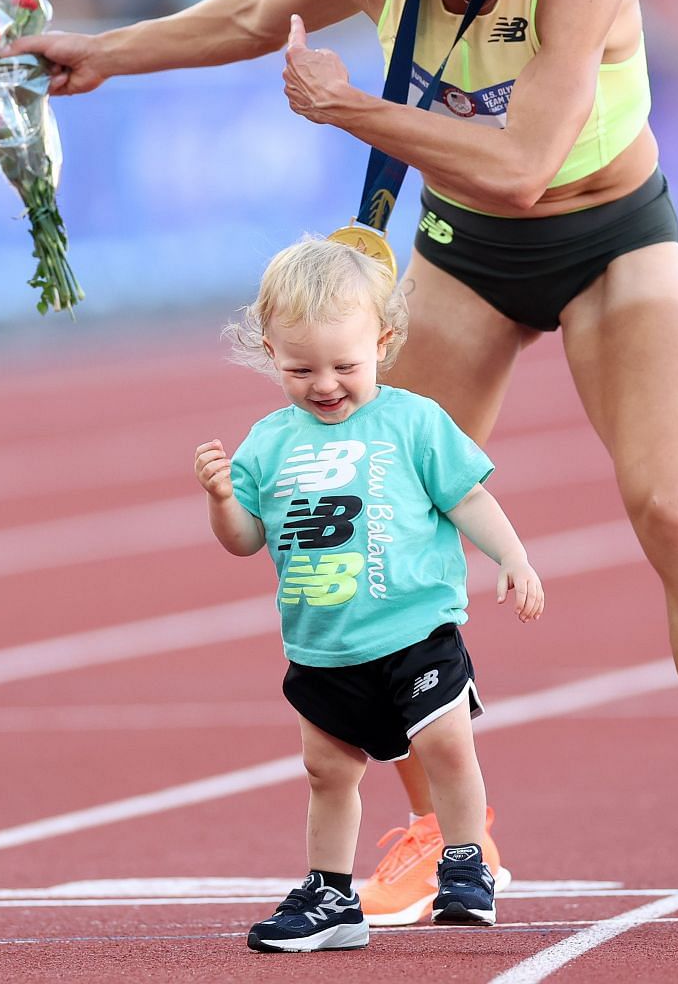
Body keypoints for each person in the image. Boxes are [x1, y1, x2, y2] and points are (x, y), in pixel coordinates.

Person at [8, 0, 678, 924]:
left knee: (669, 507)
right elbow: (253, 14)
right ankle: (457, 839)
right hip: (463, 259)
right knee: (373, 533)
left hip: (609, 243)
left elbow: (523, 166)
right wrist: (104, 52)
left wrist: (348, 113)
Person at [194, 237, 545, 952]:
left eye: (345, 365)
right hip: (323, 642)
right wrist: (222, 498)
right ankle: (330, 894)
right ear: (269, 354)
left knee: (445, 743)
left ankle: (465, 859)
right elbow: (244, 539)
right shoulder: (267, 442)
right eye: (300, 369)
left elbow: (467, 496)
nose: (325, 384)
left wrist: (511, 555)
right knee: (327, 770)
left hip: (415, 626)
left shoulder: (411, 422)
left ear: (382, 342)